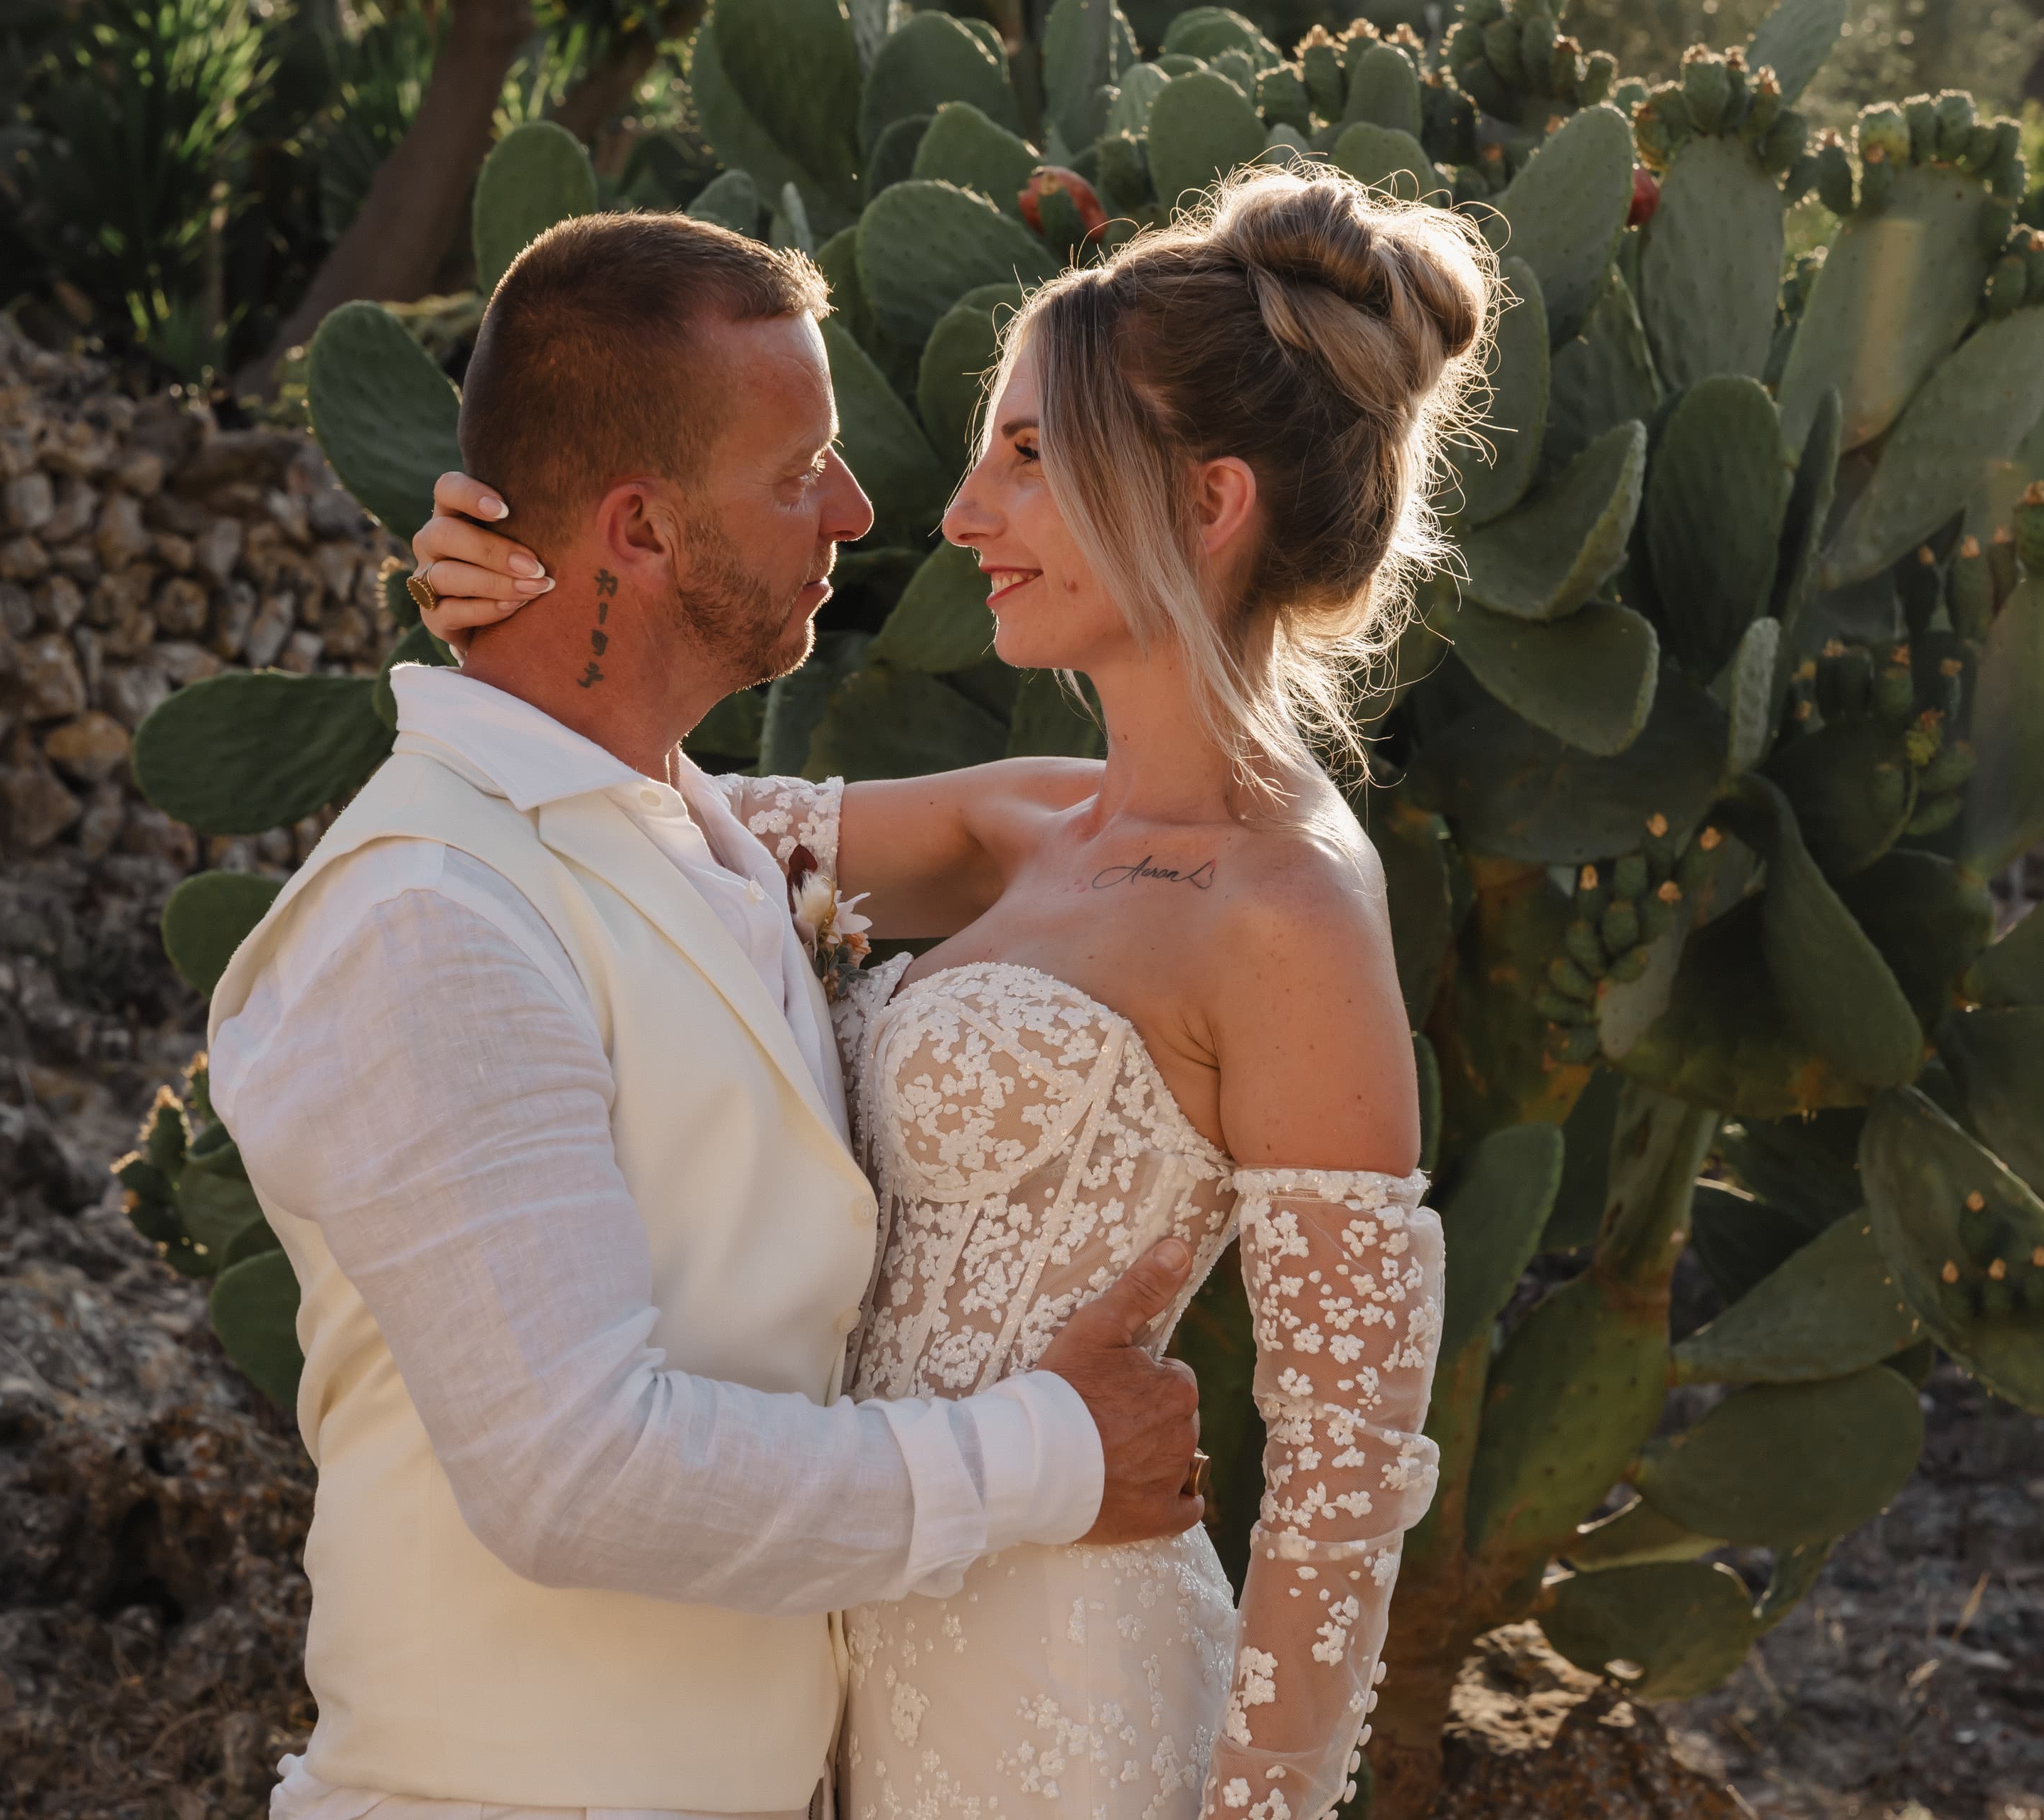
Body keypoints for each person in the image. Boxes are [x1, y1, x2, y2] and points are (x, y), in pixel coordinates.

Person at [412, 164, 1487, 1820]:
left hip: (1062, 1684)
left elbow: (1346, 1469)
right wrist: (527, 595)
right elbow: (623, 820)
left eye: (1030, 458)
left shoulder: (1288, 913)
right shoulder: (1035, 817)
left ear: (1208, 506)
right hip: (839, 1632)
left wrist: (1259, 1811)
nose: (966, 512)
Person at [203, 208, 1213, 1820]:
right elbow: (579, 1475)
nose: (859, 504)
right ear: (645, 531)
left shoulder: (687, 822)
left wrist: (1271, 802)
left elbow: (1028, 828)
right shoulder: (434, 919)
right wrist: (1054, 1457)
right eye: (797, 466)